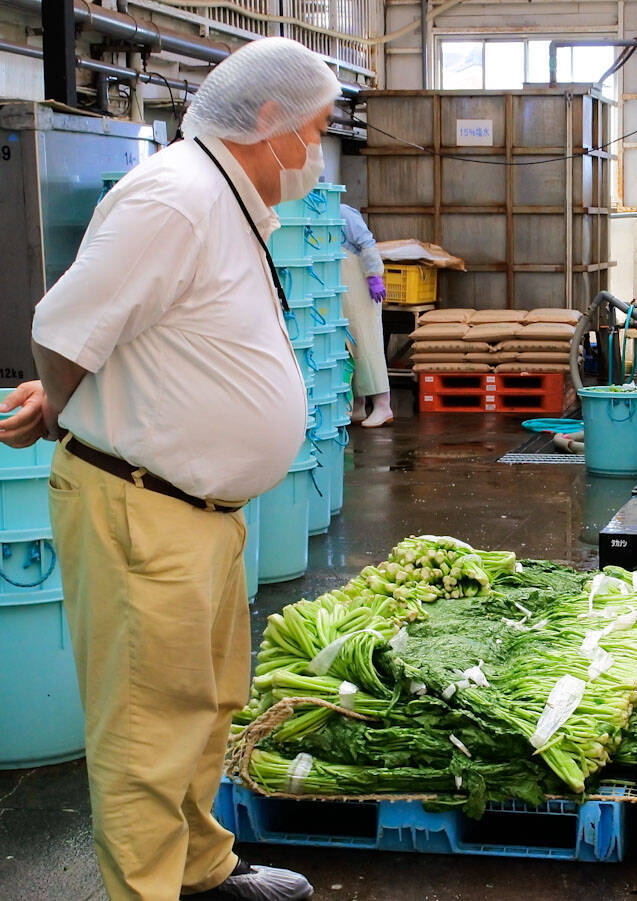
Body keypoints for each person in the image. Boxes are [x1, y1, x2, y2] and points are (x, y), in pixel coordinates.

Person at [0, 36, 342, 901]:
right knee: (147, 731)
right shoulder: (177, 198)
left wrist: (79, 392)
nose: (318, 150)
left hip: (198, 510)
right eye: (315, 130)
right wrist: (62, 399)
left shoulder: (226, 199)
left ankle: (201, 871)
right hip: (142, 506)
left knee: (204, 702)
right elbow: (63, 326)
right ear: (269, 121)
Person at [339, 204, 393, 427]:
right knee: (348, 347)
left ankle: (383, 405)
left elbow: (366, 243)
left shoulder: (343, 212)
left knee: (367, 345)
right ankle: (358, 405)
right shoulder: (315, 217)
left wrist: (374, 275)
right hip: (342, 291)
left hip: (362, 288)